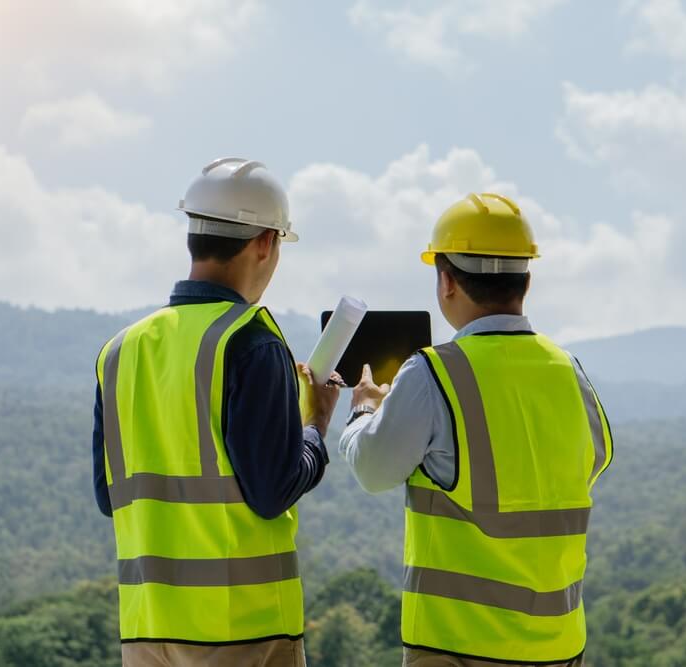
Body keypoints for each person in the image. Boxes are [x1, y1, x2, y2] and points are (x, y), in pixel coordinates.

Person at [340, 192, 613, 667]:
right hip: (558, 645)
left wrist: (365, 410)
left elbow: (372, 469)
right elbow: (591, 462)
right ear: (526, 279)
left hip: (458, 647)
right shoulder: (569, 371)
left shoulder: (434, 373)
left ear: (446, 281)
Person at [92, 157, 342, 667]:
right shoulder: (251, 340)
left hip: (147, 632)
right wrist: (315, 425)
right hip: (243, 631)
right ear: (266, 242)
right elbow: (273, 490)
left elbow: (108, 496)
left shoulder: (120, 351)